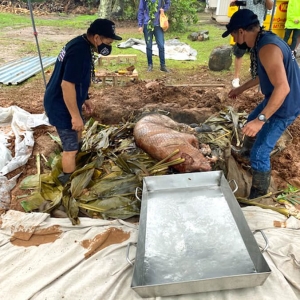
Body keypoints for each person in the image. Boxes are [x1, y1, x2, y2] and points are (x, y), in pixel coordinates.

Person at [222, 9, 300, 199]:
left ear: (241, 32)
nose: (233, 39)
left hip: (285, 105)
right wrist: (241, 89)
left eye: (233, 34)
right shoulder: (264, 40)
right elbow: (262, 75)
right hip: (276, 97)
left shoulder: (267, 48)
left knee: (261, 153)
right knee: (250, 119)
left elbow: (283, 89)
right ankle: (246, 155)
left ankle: (257, 196)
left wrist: (261, 120)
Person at [44, 19, 122, 185]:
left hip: (67, 100)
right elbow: (67, 85)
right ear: (96, 38)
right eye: (108, 41)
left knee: (78, 131)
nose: (109, 44)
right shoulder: (79, 52)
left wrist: (85, 98)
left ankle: (76, 156)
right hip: (61, 104)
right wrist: (74, 115)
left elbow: (77, 78)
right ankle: (68, 181)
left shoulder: (82, 44)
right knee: (70, 148)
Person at [229, 0, 274, 88]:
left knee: (257, 54)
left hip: (256, 27)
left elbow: (270, 6)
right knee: (239, 53)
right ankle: (236, 77)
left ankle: (256, 71)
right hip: (243, 25)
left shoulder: (268, 44)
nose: (234, 40)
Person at [138, 0, 171, 72]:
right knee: (149, 46)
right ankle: (150, 65)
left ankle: (163, 65)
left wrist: (164, 9)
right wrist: (140, 25)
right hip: (147, 24)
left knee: (161, 45)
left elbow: (168, 2)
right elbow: (141, 10)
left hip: (158, 25)